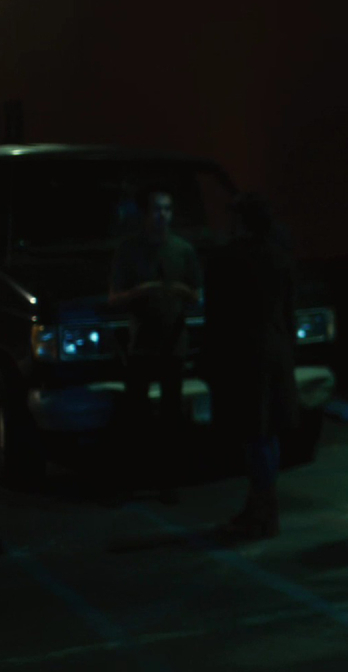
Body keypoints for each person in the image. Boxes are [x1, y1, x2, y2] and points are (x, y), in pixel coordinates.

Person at [204, 191, 298, 540]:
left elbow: (217, 316)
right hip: (276, 352)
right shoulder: (281, 257)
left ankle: (263, 510)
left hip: (243, 356)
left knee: (254, 435)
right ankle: (262, 507)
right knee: (267, 434)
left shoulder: (225, 259)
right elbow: (289, 312)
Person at [109, 186, 202, 496]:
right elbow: (114, 298)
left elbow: (197, 295)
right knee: (135, 414)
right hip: (141, 343)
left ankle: (168, 480)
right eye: (157, 209)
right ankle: (132, 478)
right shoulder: (129, 250)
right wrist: (141, 291)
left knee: (171, 414)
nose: (163, 215)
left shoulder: (183, 250)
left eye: (167, 209)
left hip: (173, 344)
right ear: (145, 214)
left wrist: (181, 292)